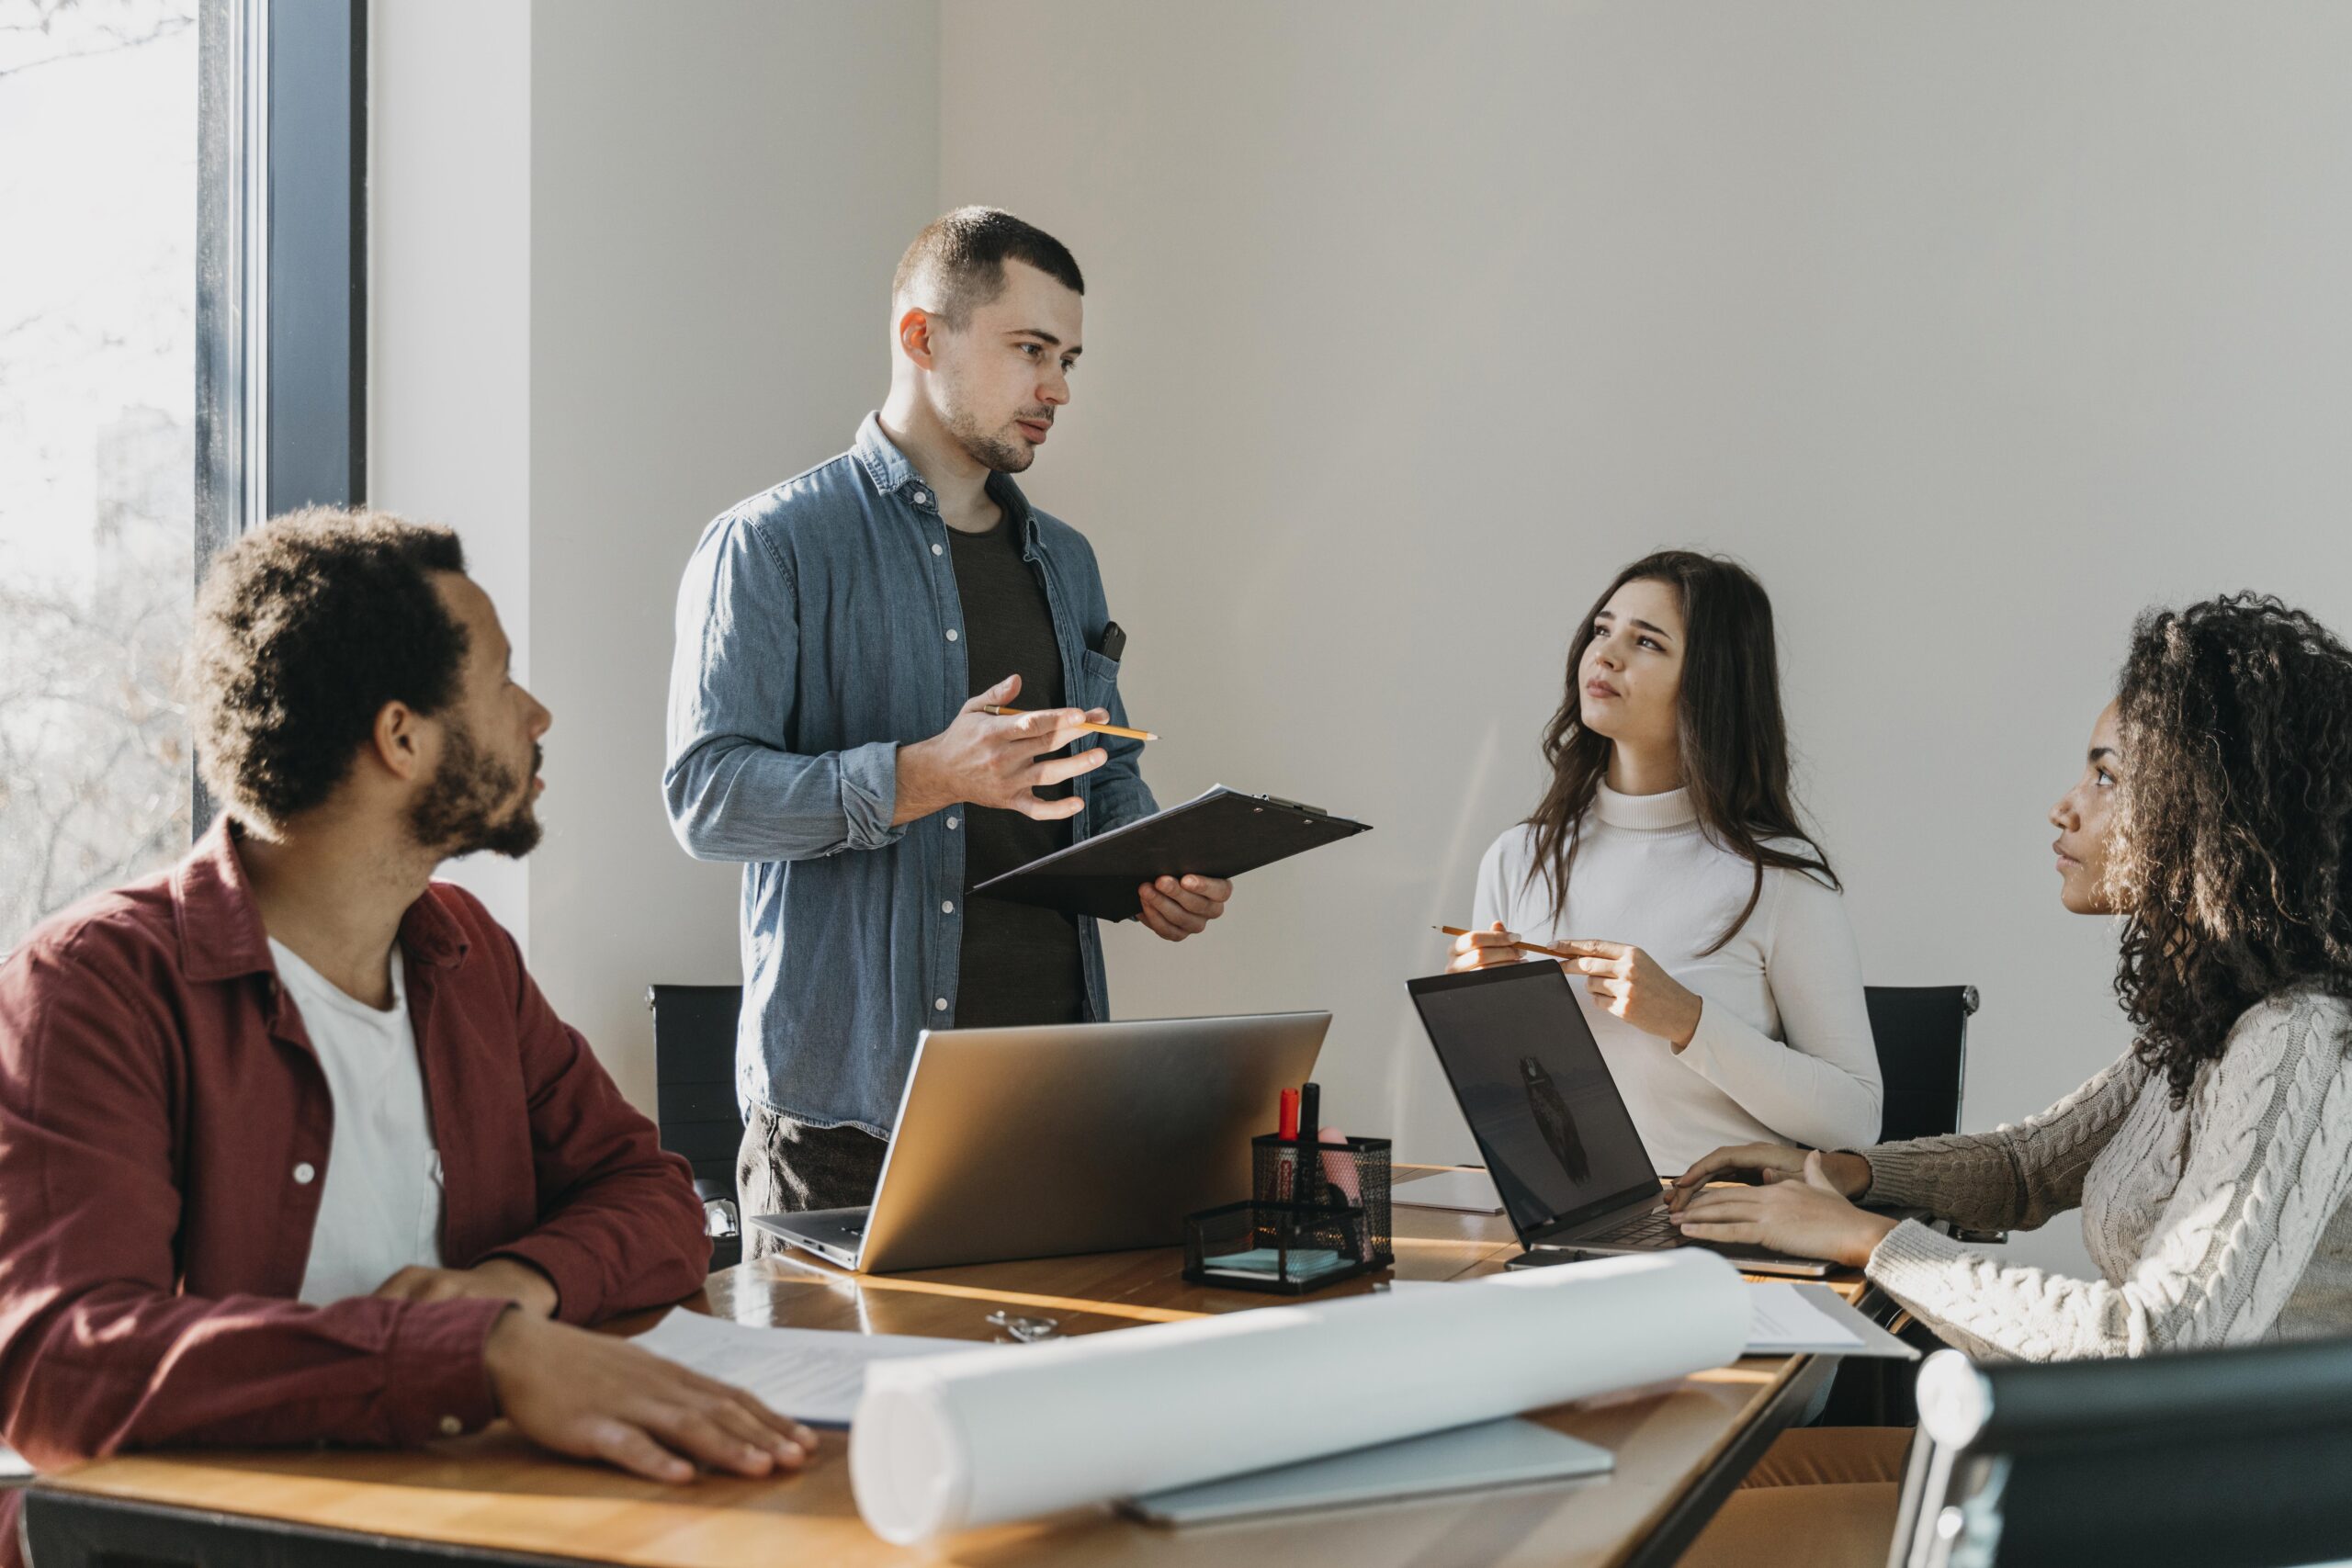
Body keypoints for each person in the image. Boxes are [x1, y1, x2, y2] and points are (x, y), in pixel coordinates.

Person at [0, 510, 815, 1560]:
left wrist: (512, 1293)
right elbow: (62, 1365)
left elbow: (651, 1197)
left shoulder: (464, 950)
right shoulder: (95, 984)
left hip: (465, 1519)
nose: (538, 714)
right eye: (502, 680)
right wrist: (479, 1356)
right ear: (400, 737)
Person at [1671, 593, 2352, 1568]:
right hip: (2127, 1475)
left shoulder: (2297, 1042)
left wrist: (1866, 1243)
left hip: (2198, 1518)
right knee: (1708, 1484)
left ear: (2212, 806)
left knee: (1702, 1538)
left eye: (2106, 775)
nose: (2065, 805)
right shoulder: (2218, 1018)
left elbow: (2150, 1345)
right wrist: (1839, 1171)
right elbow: (2028, 1165)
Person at [665, 208, 1231, 1234]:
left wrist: (1150, 863)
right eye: (1028, 350)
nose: (1057, 388)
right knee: (840, 1402)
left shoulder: (1066, 561)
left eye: (1067, 359)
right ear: (922, 337)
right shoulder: (771, 545)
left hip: (1052, 1098)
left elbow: (1096, 770)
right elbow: (707, 801)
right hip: (847, 1130)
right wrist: (925, 773)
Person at [1449, 550, 1880, 1173]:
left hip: (1720, 1235)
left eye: (1646, 641)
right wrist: (1470, 1014)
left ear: (1710, 680)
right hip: (1552, 1230)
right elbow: (1502, 1104)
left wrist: (1687, 1019)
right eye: (1602, 630)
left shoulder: (1779, 877)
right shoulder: (1517, 859)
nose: (1606, 654)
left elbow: (1857, 1119)